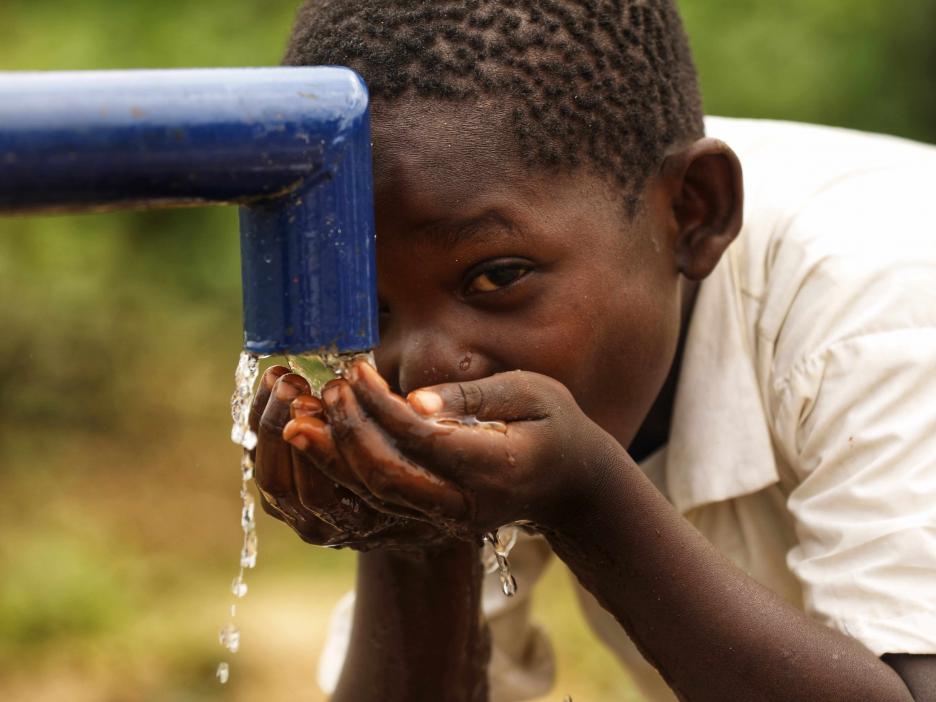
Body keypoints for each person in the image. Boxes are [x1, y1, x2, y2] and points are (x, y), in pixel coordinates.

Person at [248, 1, 936, 699]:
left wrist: (586, 502)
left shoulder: (887, 304)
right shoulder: (566, 201)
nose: (417, 369)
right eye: (370, 310)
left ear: (693, 213)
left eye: (496, 276)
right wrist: (414, 531)